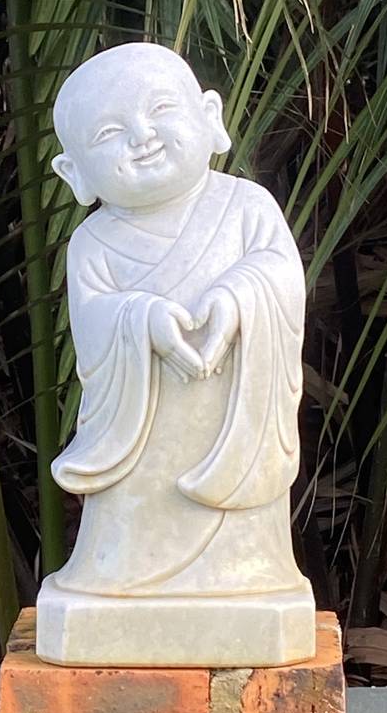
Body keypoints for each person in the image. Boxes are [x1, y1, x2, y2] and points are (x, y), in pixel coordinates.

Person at [49, 42, 309, 600]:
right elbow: (94, 327)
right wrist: (140, 320)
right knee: (130, 527)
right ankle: (117, 576)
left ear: (210, 118)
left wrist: (240, 296)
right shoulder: (93, 243)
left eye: (161, 109)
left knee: (246, 568)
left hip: (230, 425)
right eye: (107, 134)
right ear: (75, 173)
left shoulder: (248, 206)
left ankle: (248, 577)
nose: (141, 136)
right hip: (142, 441)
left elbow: (280, 278)